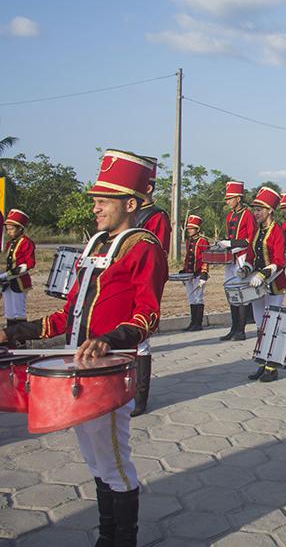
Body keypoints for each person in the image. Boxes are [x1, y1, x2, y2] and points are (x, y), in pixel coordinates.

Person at [0, 148, 167, 547]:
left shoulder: (144, 246)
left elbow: (148, 316)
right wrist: (17, 332)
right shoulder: (95, 244)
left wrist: (108, 340)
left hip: (108, 372)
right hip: (80, 369)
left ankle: (122, 539)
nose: (95, 208)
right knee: (95, 461)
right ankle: (106, 535)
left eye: (102, 201)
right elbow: (68, 315)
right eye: (94, 200)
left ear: (130, 203)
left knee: (115, 462)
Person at [130, 156, 169, 417]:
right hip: (125, 279)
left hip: (143, 282)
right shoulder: (130, 213)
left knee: (140, 339)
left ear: (148, 188)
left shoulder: (157, 216)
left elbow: (158, 254)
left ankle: (140, 397)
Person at [246, 186, 286, 383]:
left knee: (272, 324)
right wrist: (245, 268)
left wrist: (263, 274)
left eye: (259, 210)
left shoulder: (277, 231)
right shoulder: (257, 230)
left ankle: (272, 367)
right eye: (254, 209)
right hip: (256, 284)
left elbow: (280, 261)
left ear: (270, 210)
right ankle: (262, 362)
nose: (255, 213)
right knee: (259, 324)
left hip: (274, 284)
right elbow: (251, 254)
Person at [218, 180, 257, 342]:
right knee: (230, 291)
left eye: (230, 198)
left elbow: (251, 238)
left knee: (241, 292)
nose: (227, 201)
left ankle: (241, 330)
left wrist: (232, 244)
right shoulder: (230, 215)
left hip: (242, 255)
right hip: (232, 257)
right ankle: (233, 328)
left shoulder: (248, 214)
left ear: (238, 198)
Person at [1, 209, 36, 327]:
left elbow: (29, 264)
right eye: (7, 229)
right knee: (9, 313)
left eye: (11, 229)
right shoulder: (10, 243)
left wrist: (6, 275)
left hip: (19, 281)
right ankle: (10, 340)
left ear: (20, 228)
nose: (9, 232)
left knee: (18, 312)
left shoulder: (26, 242)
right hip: (8, 282)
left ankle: (21, 342)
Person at [180, 214, 210, 331]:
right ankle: (192, 322)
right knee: (191, 298)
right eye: (188, 228)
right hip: (189, 273)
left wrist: (204, 273)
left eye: (192, 228)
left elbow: (206, 259)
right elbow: (188, 257)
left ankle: (198, 323)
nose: (190, 230)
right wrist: (184, 270)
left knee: (198, 297)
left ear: (198, 229)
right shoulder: (189, 241)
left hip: (199, 273)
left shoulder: (203, 241)